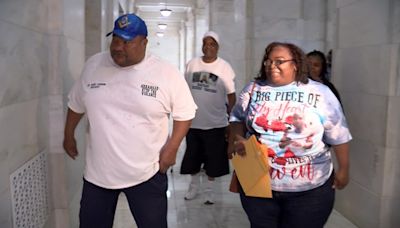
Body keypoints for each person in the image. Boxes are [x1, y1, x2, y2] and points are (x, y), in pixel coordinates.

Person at [63, 13, 197, 228]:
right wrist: (68, 134)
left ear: (144, 42)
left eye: (127, 42)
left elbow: (185, 112)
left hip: (146, 173)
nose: (118, 47)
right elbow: (76, 103)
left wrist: (172, 148)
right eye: (115, 39)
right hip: (98, 175)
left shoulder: (166, 73)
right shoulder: (94, 65)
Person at [228, 42, 351, 228]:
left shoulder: (320, 92)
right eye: (268, 61)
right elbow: (237, 118)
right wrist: (237, 139)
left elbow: (338, 133)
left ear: (296, 64)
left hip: (310, 190)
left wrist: (344, 168)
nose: (271, 66)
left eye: (279, 61)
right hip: (257, 182)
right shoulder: (253, 89)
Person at [180, 31, 236, 205]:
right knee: (193, 158)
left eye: (212, 44)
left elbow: (231, 95)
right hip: (194, 122)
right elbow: (184, 89)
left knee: (213, 160)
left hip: (216, 123)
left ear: (217, 47)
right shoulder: (192, 64)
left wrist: (231, 119)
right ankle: (194, 186)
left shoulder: (224, 67)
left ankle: (209, 191)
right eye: (206, 43)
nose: (208, 47)